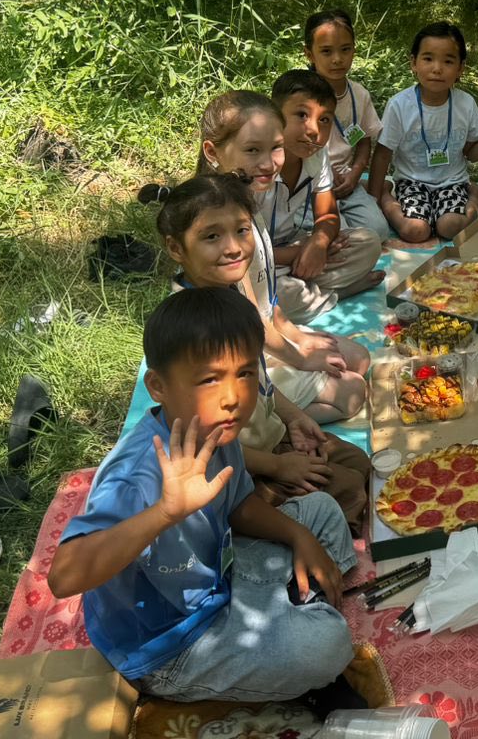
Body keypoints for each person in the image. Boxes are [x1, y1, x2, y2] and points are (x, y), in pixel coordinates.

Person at [48, 288, 365, 716]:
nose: (233, 396)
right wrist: (166, 512)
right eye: (209, 379)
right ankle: (292, 626)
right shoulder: (136, 474)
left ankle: (288, 610)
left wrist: (298, 536)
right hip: (169, 641)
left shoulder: (217, 428)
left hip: (217, 574)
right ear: (158, 386)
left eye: (245, 373)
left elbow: (239, 505)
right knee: (328, 646)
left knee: (322, 511)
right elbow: (63, 577)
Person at [146, 173, 373, 529]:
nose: (234, 248)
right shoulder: (191, 329)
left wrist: (293, 417)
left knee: (360, 463)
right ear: (176, 248)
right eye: (211, 237)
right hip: (238, 467)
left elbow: (259, 378)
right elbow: (207, 441)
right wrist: (278, 466)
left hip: (271, 439)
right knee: (348, 491)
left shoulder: (232, 291)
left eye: (241, 230)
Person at [192, 90, 370, 422]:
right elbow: (248, 321)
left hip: (268, 331)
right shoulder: (221, 224)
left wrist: (300, 338)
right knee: (352, 392)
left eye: (275, 148)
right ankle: (258, 429)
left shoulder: (246, 201)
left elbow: (265, 300)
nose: (268, 163)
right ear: (213, 152)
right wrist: (301, 358)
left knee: (359, 359)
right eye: (252, 150)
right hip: (239, 358)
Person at [369, 20, 478, 241]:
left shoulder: (465, 104)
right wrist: (374, 196)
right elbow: (382, 153)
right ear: (413, 63)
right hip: (411, 181)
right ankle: (387, 195)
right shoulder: (399, 105)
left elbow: (471, 153)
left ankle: (475, 196)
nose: (437, 68)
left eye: (448, 61)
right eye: (428, 59)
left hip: (452, 182)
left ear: (460, 68)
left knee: (450, 227)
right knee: (415, 231)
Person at [264, 68, 386, 313]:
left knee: (369, 243)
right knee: (275, 294)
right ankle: (335, 294)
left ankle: (307, 293)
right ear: (274, 115)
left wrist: (319, 242)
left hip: (294, 247)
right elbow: (242, 249)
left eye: (325, 120)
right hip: (258, 259)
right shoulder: (258, 164)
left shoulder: (317, 156)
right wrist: (300, 252)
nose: (314, 130)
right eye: (302, 115)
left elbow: (329, 216)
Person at [304, 9, 391, 241]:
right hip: (310, 183)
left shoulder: (359, 94)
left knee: (379, 231)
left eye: (345, 49)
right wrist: (326, 173)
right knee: (333, 233)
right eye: (326, 51)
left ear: (354, 49)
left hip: (346, 182)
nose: (337, 59)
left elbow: (364, 140)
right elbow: (293, 144)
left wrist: (355, 173)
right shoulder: (300, 96)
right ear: (309, 54)